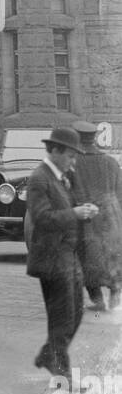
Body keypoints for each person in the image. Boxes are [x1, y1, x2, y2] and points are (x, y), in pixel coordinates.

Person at [25, 126, 99, 378]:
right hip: (51, 258)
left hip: (68, 255)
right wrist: (75, 214)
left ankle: (50, 356)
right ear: (54, 150)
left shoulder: (60, 176)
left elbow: (69, 207)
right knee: (63, 318)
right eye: (70, 155)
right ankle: (61, 373)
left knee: (75, 314)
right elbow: (42, 218)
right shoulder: (39, 178)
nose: (73, 160)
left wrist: (83, 210)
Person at [71, 120, 122, 312]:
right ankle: (116, 298)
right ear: (94, 139)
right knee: (113, 255)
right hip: (112, 217)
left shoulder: (73, 163)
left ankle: (97, 299)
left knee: (87, 257)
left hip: (87, 218)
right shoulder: (110, 161)